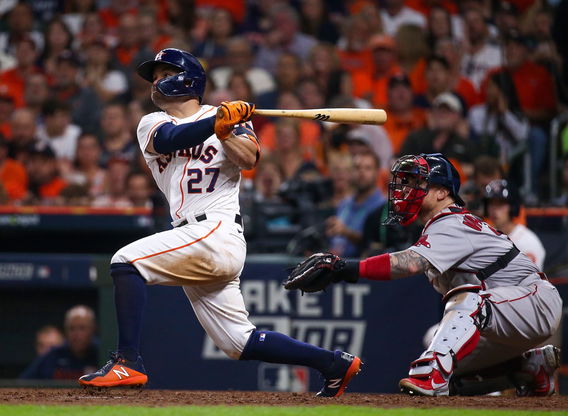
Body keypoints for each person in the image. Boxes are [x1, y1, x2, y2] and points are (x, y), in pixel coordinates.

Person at [78, 48, 362, 397]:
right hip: (192, 236)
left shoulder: (227, 118)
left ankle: (128, 362)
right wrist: (218, 124)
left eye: (164, 74)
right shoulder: (151, 122)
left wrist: (228, 130)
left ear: (188, 79)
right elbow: (169, 140)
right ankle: (333, 364)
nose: (156, 82)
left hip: (216, 230)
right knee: (237, 342)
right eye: (154, 77)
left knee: (126, 262)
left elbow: (249, 159)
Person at [286, 153, 562, 396]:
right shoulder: (438, 227)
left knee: (465, 305)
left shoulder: (451, 221)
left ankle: (433, 377)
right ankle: (530, 367)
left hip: (533, 301)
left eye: (418, 184)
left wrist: (344, 268)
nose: (406, 190)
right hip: (505, 313)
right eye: (406, 183)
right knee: (442, 349)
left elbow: (408, 263)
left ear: (442, 193)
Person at [326, 152, 386, 258]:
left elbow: (373, 244)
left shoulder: (382, 206)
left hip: (359, 268)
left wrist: (346, 232)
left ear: (377, 172)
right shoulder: (344, 203)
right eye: (357, 168)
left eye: (368, 168)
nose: (361, 172)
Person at [20, 305, 98, 380]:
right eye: (71, 328)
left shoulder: (101, 354)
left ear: (93, 329)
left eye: (82, 328)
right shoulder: (53, 354)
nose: (76, 334)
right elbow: (22, 384)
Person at [483, 179, 546, 270]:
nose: (495, 210)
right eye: (491, 204)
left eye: (501, 203)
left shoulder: (527, 242)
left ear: (513, 207)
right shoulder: (485, 237)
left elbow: (530, 282)